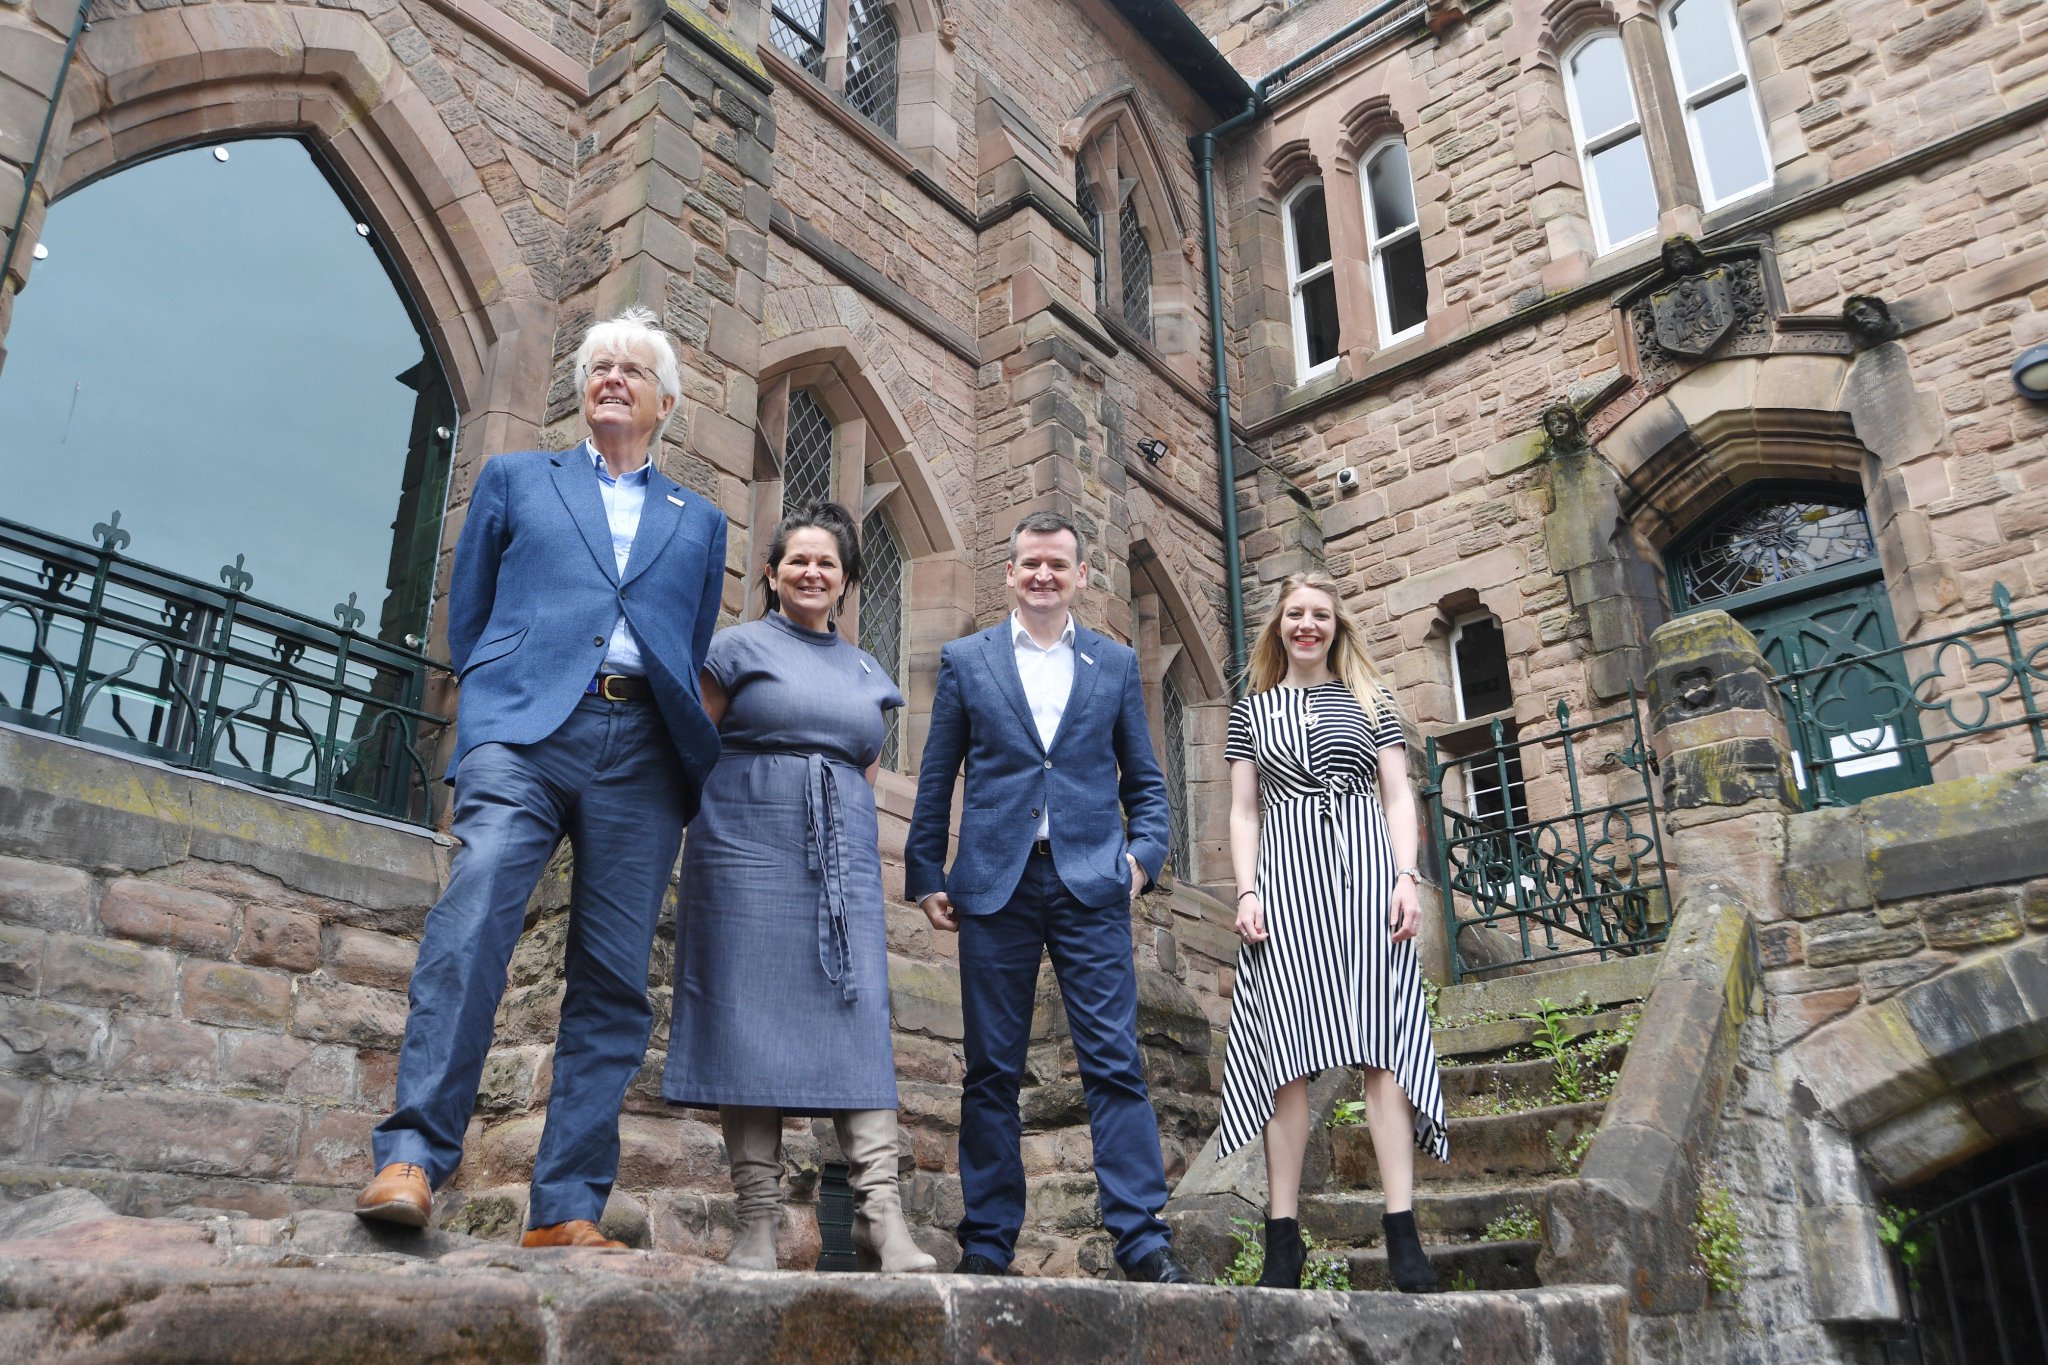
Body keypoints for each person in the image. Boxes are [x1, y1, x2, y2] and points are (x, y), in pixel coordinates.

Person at [353, 307, 728, 1249]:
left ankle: (565, 1208)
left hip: (643, 752)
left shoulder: (701, 521)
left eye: (632, 369)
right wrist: (493, 701)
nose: (612, 378)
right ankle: (412, 1156)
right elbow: (471, 613)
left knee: (614, 979)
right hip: (525, 731)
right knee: (475, 909)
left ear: (666, 403)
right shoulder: (517, 479)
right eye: (599, 366)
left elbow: (685, 645)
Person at [904, 509, 1191, 1284]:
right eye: (1030, 562)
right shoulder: (967, 659)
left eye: (1057, 565)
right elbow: (936, 776)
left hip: (1090, 885)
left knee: (1114, 1061)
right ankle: (989, 1241)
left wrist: (1141, 861)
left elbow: (1148, 783)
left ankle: (1142, 1238)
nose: (1042, 575)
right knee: (990, 1070)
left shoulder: (1113, 663)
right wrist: (926, 872)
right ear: (1009, 572)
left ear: (1080, 575)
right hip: (994, 885)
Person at [662, 502, 937, 1275]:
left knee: (859, 1019)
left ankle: (881, 1214)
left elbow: (863, 773)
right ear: (773, 573)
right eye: (797, 560)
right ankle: (758, 1220)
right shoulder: (733, 648)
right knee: (746, 1020)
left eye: (827, 563)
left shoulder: (867, 671)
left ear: (846, 581)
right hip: (744, 851)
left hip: (842, 864)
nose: (811, 572)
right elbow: (693, 745)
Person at [1216, 572, 1447, 1292]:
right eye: (1295, 614)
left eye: (1320, 614)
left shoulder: (1371, 699)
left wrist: (1406, 877)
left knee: (1385, 1048)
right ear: (1278, 625)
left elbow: (1397, 794)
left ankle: (1402, 1230)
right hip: (1285, 885)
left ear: (1337, 625)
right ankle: (1283, 1240)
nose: (1307, 625)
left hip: (1368, 879)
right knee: (1285, 1057)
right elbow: (1243, 811)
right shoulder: (1251, 710)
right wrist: (1247, 890)